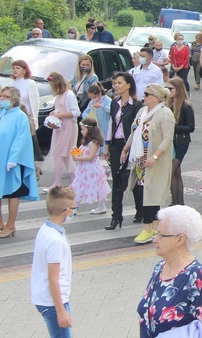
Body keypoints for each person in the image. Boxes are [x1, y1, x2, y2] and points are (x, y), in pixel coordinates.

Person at [137, 205, 202, 337]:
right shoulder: (160, 267)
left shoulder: (196, 276)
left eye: (160, 235)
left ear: (179, 239)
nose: (154, 240)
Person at [124, 84, 175, 243]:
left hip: (155, 161)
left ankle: (148, 228)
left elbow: (168, 139)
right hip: (141, 160)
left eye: (147, 94)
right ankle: (154, 227)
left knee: (151, 194)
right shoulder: (142, 112)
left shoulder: (165, 113)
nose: (143, 96)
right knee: (143, 192)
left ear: (156, 97)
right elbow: (134, 131)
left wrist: (154, 156)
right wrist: (125, 149)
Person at [31, 186, 75, 337]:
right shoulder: (55, 240)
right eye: (74, 208)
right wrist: (61, 311)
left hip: (49, 299)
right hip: (53, 303)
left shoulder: (46, 229)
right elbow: (53, 278)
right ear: (67, 210)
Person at [103, 72, 144, 231]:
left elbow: (137, 129)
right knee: (117, 180)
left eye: (120, 83)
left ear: (128, 85)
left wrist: (128, 149)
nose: (116, 86)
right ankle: (116, 216)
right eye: (115, 83)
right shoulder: (114, 103)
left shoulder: (137, 105)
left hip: (131, 145)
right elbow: (112, 123)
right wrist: (107, 145)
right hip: (116, 144)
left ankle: (140, 209)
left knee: (132, 178)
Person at [0, 87, 39, 238]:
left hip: (11, 161)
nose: (2, 98)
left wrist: (13, 158)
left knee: (12, 192)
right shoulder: (2, 114)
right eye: (1, 96)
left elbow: (21, 139)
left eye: (6, 96)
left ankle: (10, 225)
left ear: (14, 100)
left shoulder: (20, 116)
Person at [43, 72, 81, 189]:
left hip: (68, 126)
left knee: (63, 154)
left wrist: (60, 114)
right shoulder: (59, 95)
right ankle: (73, 180)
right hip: (60, 126)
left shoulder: (69, 95)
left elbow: (76, 112)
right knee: (60, 154)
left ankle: (59, 182)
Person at [70, 117, 110, 215]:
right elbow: (84, 152)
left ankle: (100, 206)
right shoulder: (86, 141)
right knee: (79, 185)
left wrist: (78, 158)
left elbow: (91, 157)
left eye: (83, 129)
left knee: (95, 186)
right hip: (83, 168)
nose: (81, 131)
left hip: (91, 169)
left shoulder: (94, 142)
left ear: (90, 130)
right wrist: (77, 152)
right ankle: (75, 206)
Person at [166, 78, 194, 207]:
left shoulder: (186, 106)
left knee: (171, 170)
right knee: (176, 172)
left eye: (170, 88)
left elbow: (191, 127)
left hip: (182, 141)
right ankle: (176, 201)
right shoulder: (169, 103)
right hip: (172, 141)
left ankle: (178, 203)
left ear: (178, 89)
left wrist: (174, 126)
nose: (168, 91)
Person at [10, 60, 39, 132]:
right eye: (13, 68)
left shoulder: (30, 83)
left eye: (18, 68)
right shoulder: (11, 84)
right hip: (13, 116)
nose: (15, 70)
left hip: (26, 116)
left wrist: (34, 119)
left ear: (24, 70)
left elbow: (34, 103)